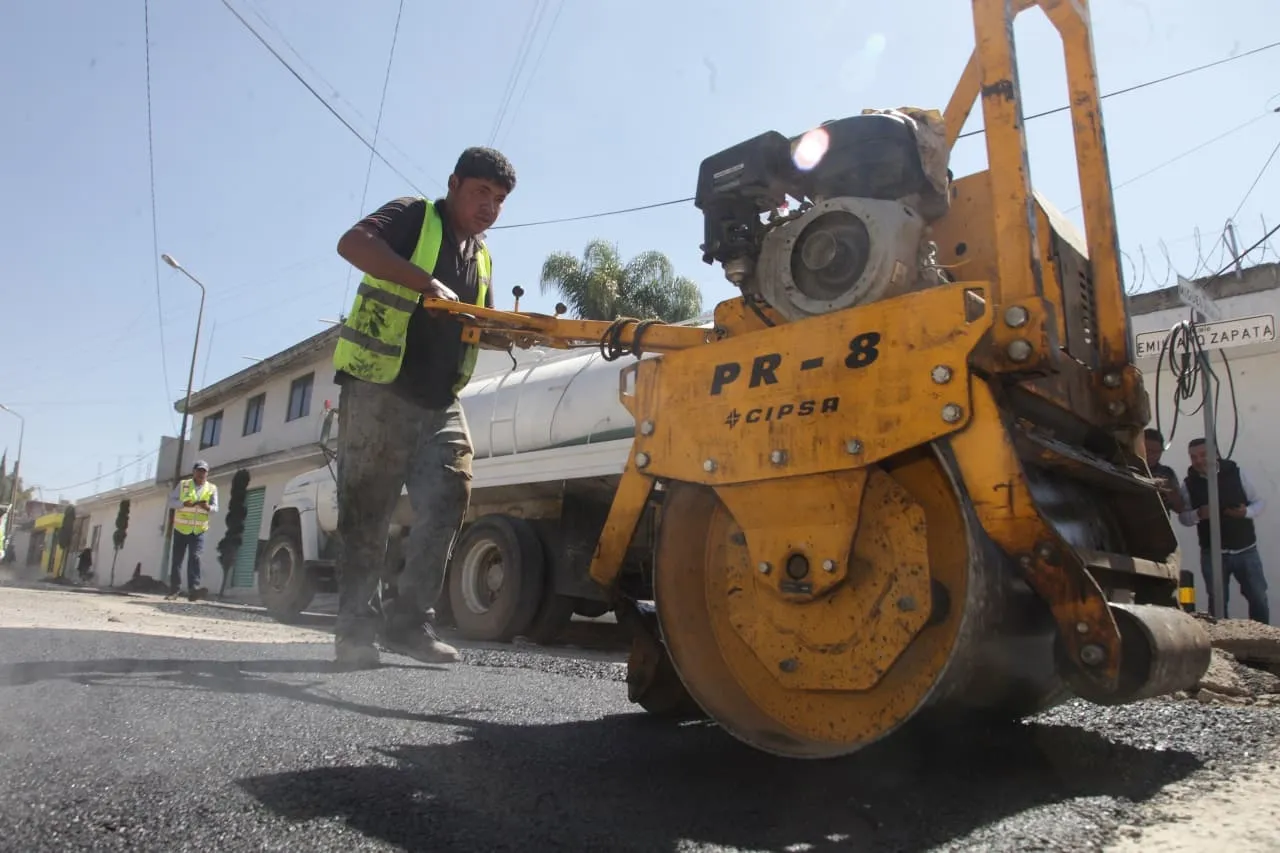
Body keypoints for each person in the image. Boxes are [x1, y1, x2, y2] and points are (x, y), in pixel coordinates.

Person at [330, 146, 516, 668]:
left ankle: (410, 625)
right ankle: (355, 632)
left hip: (438, 401)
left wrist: (509, 332)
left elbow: (476, 320)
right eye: (481, 192)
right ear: (455, 184)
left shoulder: (479, 255)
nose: (489, 207)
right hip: (380, 388)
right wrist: (423, 280)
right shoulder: (416, 215)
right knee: (368, 510)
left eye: (499, 200)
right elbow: (352, 244)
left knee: (450, 494)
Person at [1177, 438, 1269, 624]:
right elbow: (1183, 517)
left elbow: (1259, 501)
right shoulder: (1189, 484)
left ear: (1216, 454)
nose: (1199, 461)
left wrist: (1245, 512)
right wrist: (1198, 514)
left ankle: (1264, 642)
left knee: (1258, 596)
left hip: (1245, 550)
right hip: (1213, 553)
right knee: (1217, 602)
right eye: (1194, 457)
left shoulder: (1236, 473)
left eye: (1203, 455)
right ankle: (1222, 642)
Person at [166, 460, 218, 601]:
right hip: (181, 528)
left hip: (199, 530)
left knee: (195, 558)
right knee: (177, 560)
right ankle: (174, 591)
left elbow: (215, 508)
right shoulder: (184, 485)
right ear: (194, 472)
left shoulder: (212, 488)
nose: (201, 474)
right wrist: (183, 504)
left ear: (207, 473)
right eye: (199, 471)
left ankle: (193, 590)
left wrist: (208, 508)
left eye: (204, 471)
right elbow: (171, 502)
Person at [1143, 428, 1186, 514]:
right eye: (1148, 451)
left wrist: (1170, 490)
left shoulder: (1166, 472)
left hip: (1158, 521)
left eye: (1157, 452)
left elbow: (1180, 508)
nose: (1152, 456)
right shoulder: (1126, 466)